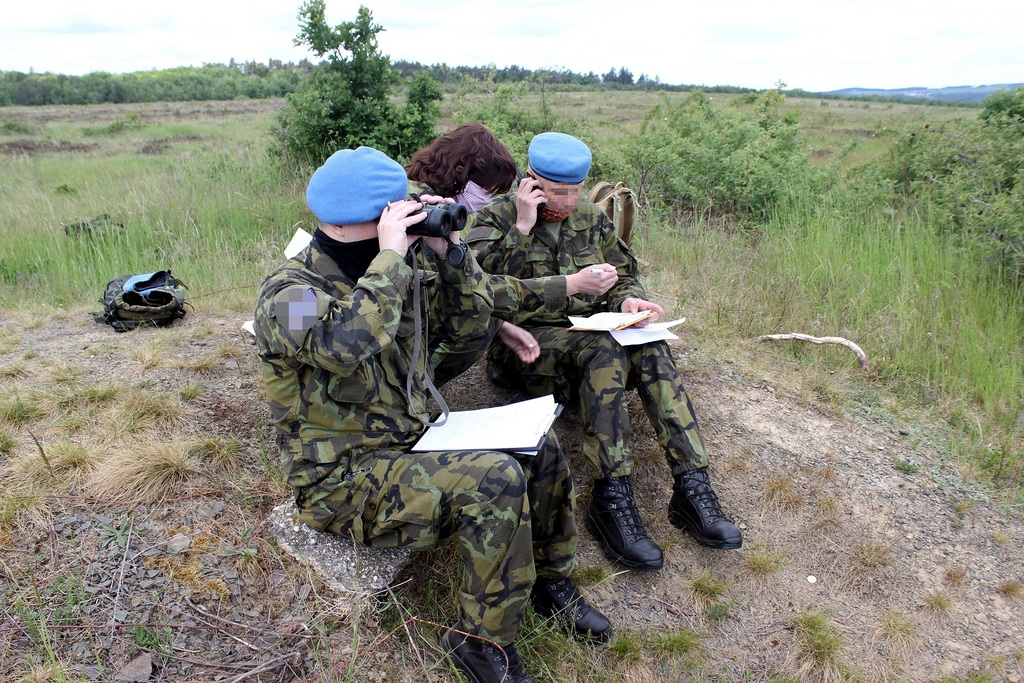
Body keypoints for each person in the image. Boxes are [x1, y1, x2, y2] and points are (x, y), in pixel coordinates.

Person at [253, 146, 611, 683]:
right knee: (494, 482)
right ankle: (480, 643)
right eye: (401, 210)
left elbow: (477, 313)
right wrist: (392, 258)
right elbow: (346, 342)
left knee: (539, 445)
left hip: (412, 438)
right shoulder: (288, 294)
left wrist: (450, 252)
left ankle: (549, 581)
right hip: (343, 479)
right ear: (373, 220)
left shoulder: (406, 264)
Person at [465, 132, 743, 573]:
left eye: (577, 189)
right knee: (603, 350)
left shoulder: (592, 218)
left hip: (591, 338)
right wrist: (523, 230)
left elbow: (625, 274)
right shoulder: (494, 220)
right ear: (531, 181)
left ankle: (693, 486)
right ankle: (612, 496)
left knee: (649, 345)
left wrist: (629, 302)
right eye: (559, 191)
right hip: (526, 352)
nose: (571, 200)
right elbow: (479, 297)